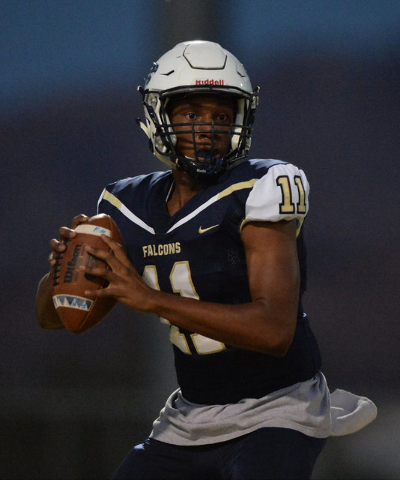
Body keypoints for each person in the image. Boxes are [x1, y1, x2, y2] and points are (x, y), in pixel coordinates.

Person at [36, 40, 376, 479]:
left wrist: (151, 299)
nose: (208, 127)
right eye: (192, 113)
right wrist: (62, 270)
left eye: (221, 115)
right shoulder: (125, 204)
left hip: (278, 409)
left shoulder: (260, 188)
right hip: (188, 418)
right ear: (161, 116)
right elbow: (55, 318)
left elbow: (275, 330)